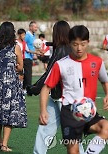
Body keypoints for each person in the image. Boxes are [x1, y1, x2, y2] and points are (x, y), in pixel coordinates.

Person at [40, 25, 108, 154]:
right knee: (73, 150)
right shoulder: (61, 64)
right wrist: (43, 110)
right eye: (75, 44)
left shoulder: (97, 62)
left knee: (106, 128)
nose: (79, 48)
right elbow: (46, 88)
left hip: (89, 110)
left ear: (88, 42)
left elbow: (105, 81)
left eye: (83, 44)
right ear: (70, 43)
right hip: (69, 112)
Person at [0, 22, 27, 152]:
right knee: (9, 111)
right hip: (10, 81)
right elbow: (20, 66)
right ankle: (5, 145)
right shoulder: (15, 47)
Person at [32, 21, 72, 154]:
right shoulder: (65, 48)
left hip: (63, 98)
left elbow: (48, 75)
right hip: (58, 96)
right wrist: (46, 44)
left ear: (58, 33)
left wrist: (34, 88)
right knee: (45, 128)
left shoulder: (61, 50)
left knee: (71, 136)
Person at [23, 21, 38, 93]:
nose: (36, 28)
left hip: (30, 56)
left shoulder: (33, 35)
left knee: (27, 73)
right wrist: (34, 52)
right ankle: (28, 89)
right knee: (28, 73)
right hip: (26, 56)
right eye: (35, 27)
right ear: (30, 27)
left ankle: (24, 88)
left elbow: (32, 46)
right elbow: (24, 45)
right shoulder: (27, 35)